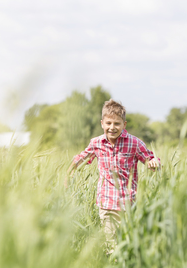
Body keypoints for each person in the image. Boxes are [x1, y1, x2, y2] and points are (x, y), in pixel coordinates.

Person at [67, 99, 160, 252]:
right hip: (106, 203)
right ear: (102, 123)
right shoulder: (96, 143)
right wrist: (68, 172)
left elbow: (150, 158)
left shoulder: (134, 143)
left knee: (128, 242)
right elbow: (82, 158)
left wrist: (153, 163)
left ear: (124, 125)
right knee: (112, 244)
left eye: (117, 124)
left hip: (129, 203)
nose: (112, 127)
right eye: (108, 123)